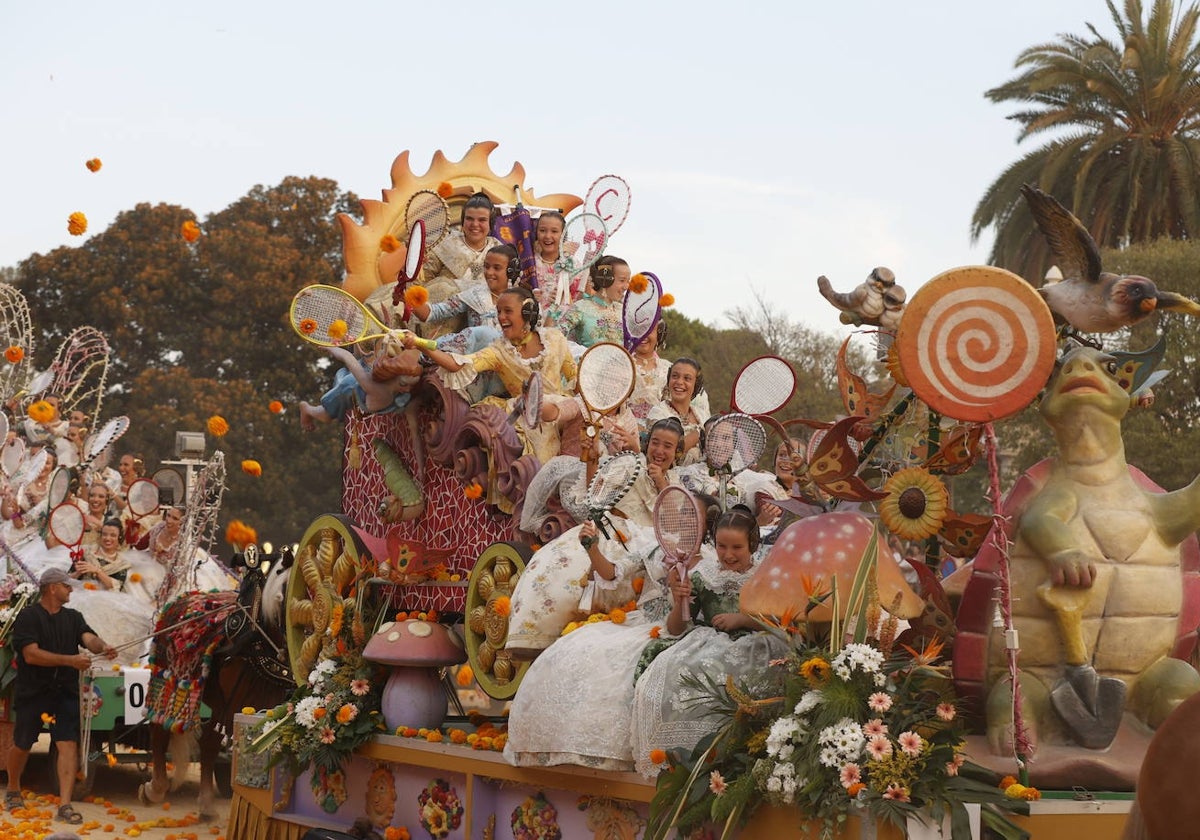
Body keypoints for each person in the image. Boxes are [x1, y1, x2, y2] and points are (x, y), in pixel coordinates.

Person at [504, 514, 686, 770]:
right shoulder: (656, 549)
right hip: (641, 622)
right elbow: (613, 572)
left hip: (675, 628)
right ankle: (561, 743)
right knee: (579, 647)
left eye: (690, 516)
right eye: (682, 515)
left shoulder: (711, 559)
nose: (682, 522)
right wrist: (592, 549)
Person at [630, 506, 786, 777]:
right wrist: (680, 601)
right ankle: (683, 755)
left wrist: (743, 620)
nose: (728, 555)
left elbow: (782, 619)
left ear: (752, 544)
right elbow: (675, 627)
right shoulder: (704, 575)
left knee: (738, 680)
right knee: (683, 671)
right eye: (722, 546)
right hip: (709, 641)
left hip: (757, 643)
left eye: (737, 547)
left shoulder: (766, 575)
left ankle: (735, 757)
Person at [5, 567, 117, 824]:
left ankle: (65, 805)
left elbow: (88, 638)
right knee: (23, 743)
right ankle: (13, 788)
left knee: (68, 744)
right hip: (34, 690)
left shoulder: (73, 617)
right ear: (52, 588)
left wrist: (103, 647)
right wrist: (70, 661)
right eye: (66, 586)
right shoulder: (28, 617)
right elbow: (31, 655)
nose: (70, 589)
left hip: (65, 691)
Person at [419, 192, 503, 335]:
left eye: (482, 220)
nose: (475, 225)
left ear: (491, 223)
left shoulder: (500, 251)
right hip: (440, 316)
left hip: (483, 322)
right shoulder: (445, 244)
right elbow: (423, 281)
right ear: (463, 221)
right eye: (469, 219)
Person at [558, 256, 631, 349]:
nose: (626, 286)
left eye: (628, 281)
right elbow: (556, 339)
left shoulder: (624, 312)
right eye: (622, 280)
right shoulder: (580, 308)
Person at [646, 358, 709, 465]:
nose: (679, 382)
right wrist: (698, 435)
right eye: (675, 376)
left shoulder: (703, 416)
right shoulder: (659, 413)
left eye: (687, 378)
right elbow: (668, 452)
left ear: (696, 384)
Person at [74, 518, 130, 591]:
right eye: (104, 534)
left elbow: (116, 586)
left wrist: (97, 571)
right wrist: (78, 572)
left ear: (119, 537)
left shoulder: (121, 563)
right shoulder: (86, 552)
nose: (107, 538)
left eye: (113, 535)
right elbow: (68, 579)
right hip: (82, 592)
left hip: (106, 598)